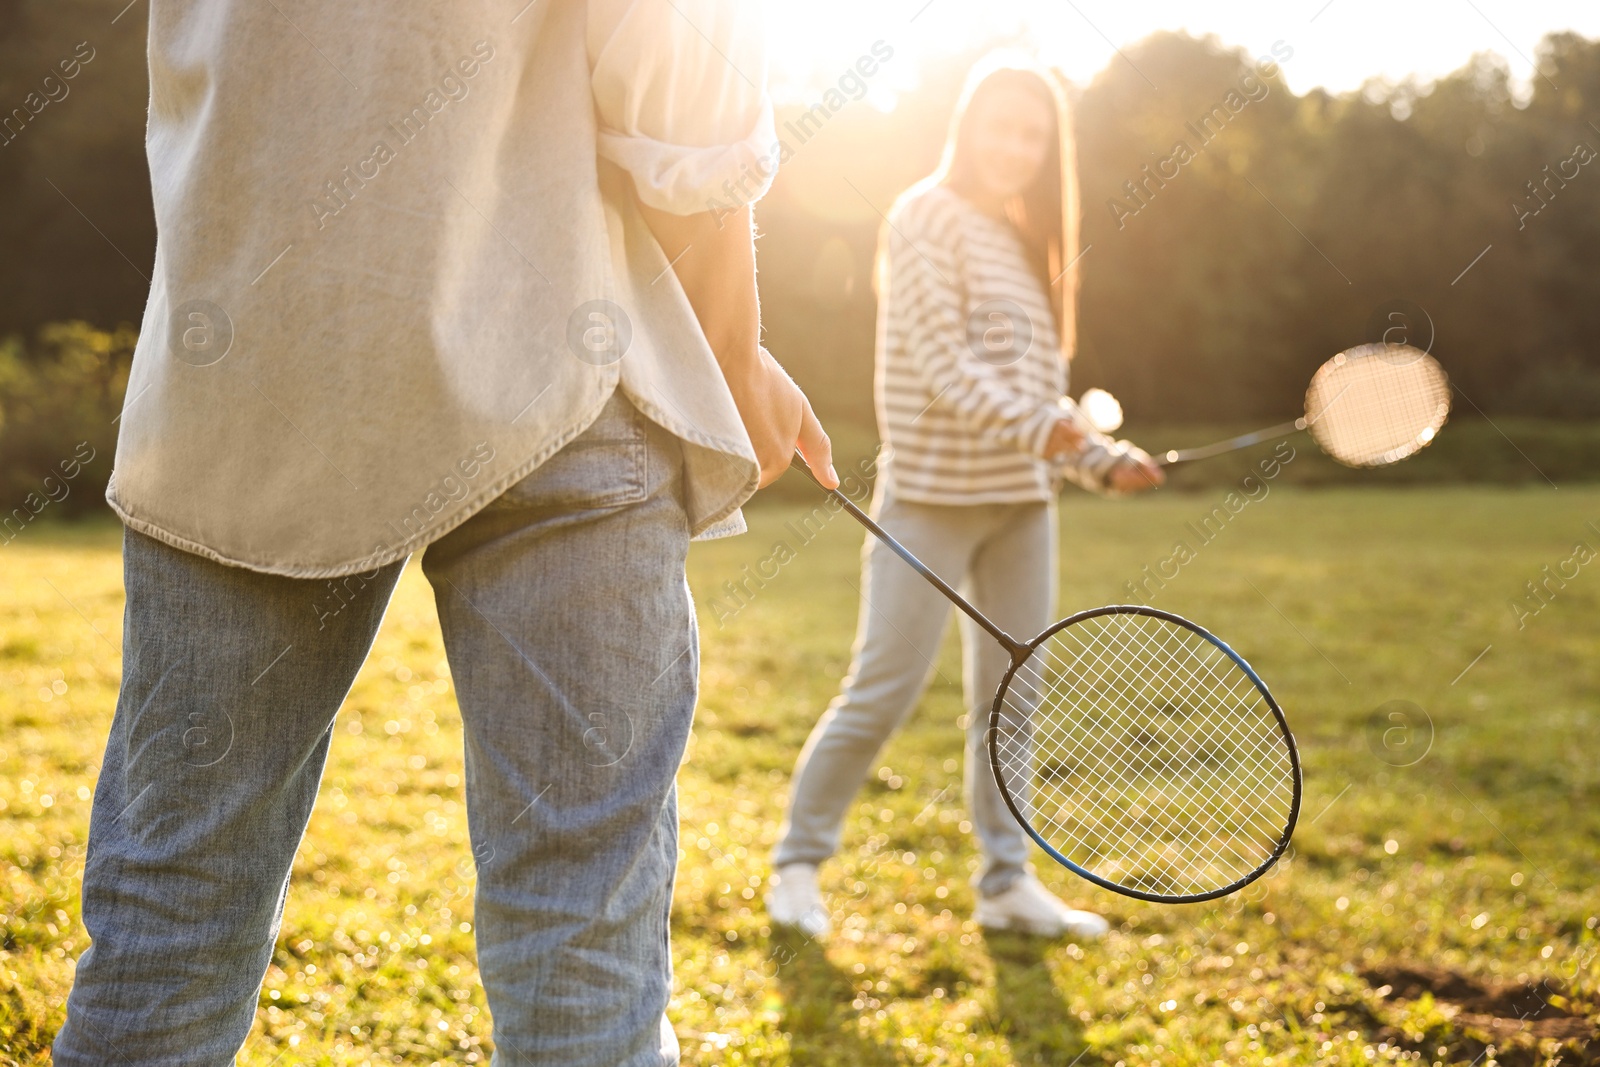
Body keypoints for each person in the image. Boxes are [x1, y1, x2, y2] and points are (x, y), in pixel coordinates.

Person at [53, 2, 833, 1064]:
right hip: (556, 359)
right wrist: (732, 356)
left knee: (172, 909)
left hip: (248, 370)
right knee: (581, 933)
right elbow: (680, 78)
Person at [766, 56, 1163, 940]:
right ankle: (797, 863)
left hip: (1022, 507)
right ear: (966, 127)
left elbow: (1039, 404)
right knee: (882, 688)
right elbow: (943, 371)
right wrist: (1047, 430)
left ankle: (1005, 884)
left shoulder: (1030, 243)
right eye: (1001, 126)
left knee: (1011, 701)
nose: (1016, 148)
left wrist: (1101, 461)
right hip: (928, 504)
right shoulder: (922, 216)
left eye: (1033, 134)